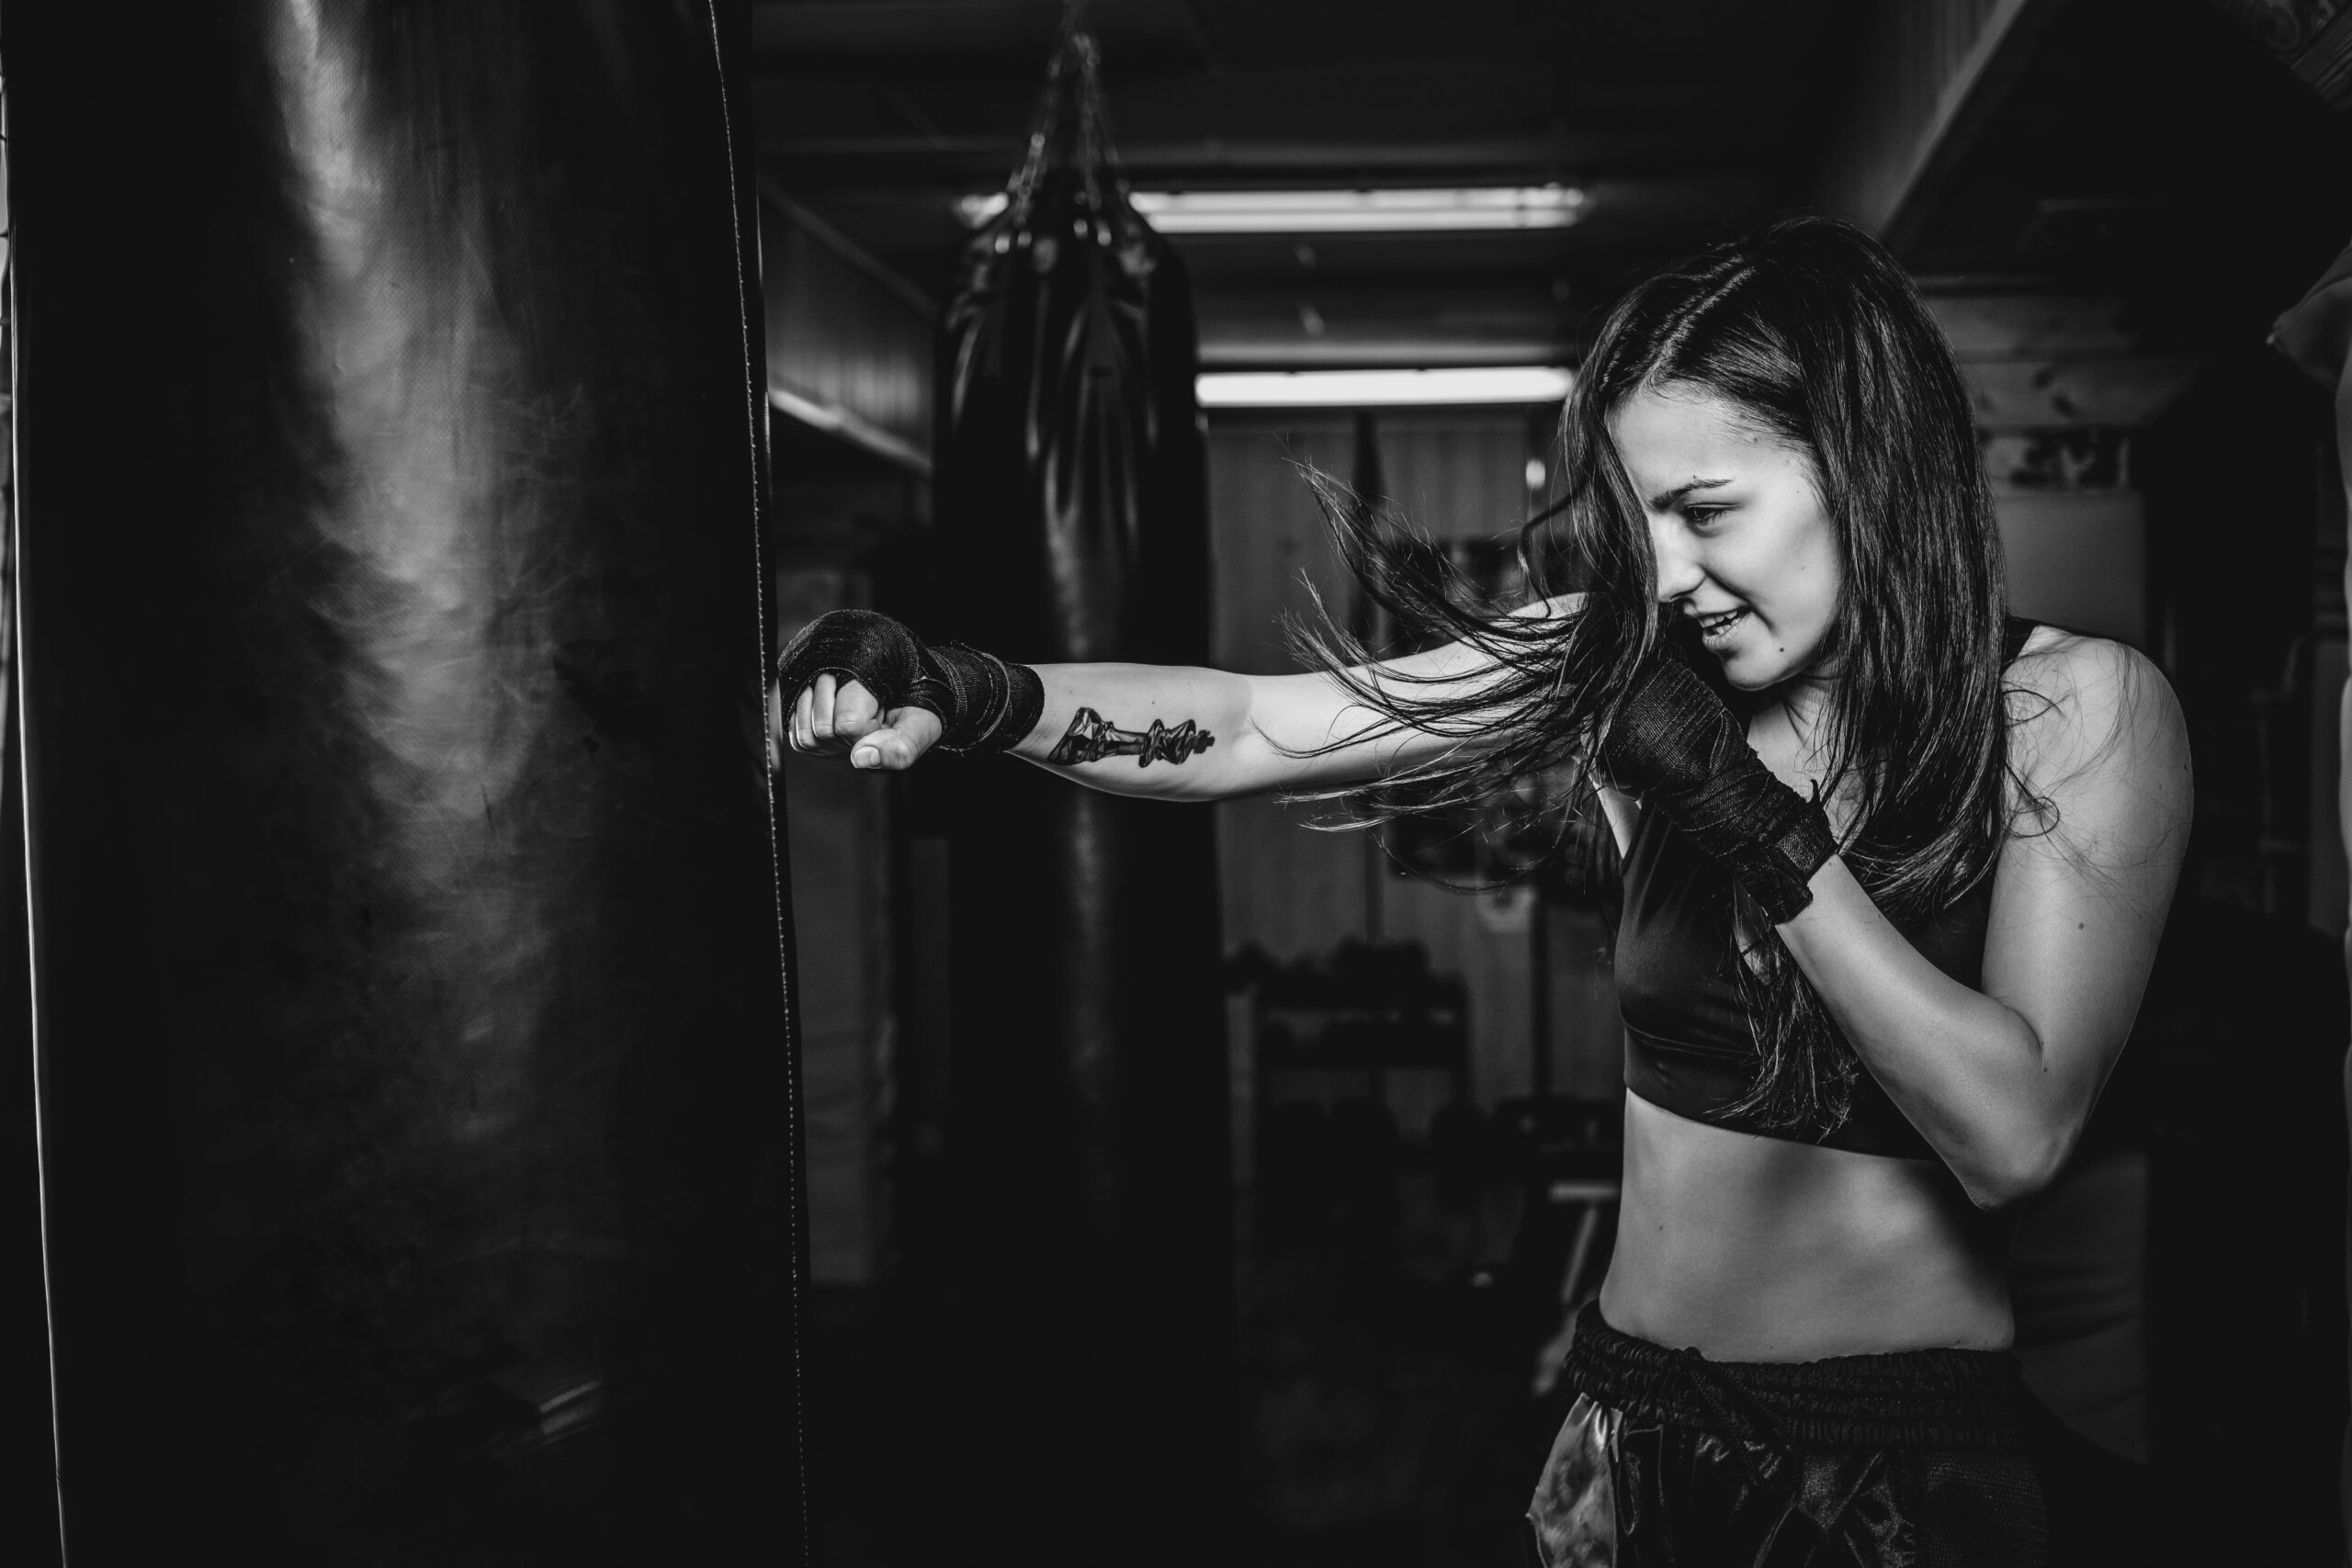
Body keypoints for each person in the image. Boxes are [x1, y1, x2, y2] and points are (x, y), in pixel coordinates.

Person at [774, 216, 2191, 1565]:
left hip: (1889, 1474)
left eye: (1709, 511)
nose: (1670, 575)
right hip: (1635, 1425)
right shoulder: (1632, 655)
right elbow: (1260, 726)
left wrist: (1751, 821)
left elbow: (2013, 1135)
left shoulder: (2073, 710)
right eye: (1642, 528)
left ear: (1868, 465)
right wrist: (973, 692)